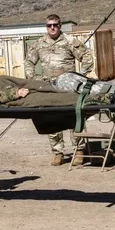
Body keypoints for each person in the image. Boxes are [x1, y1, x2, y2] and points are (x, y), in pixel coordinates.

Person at [23, 14, 95, 166]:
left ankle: (79, 151)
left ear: (60, 25)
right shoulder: (39, 43)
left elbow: (87, 56)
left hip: (68, 85)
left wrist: (80, 77)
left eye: (55, 24)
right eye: (49, 25)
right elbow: (29, 61)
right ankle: (58, 152)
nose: (52, 28)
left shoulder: (69, 41)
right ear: (46, 27)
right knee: (52, 117)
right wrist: (33, 80)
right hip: (49, 86)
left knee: (75, 115)